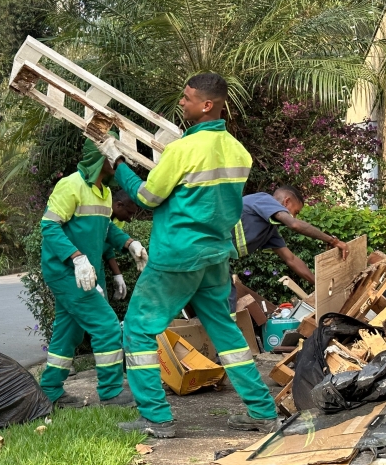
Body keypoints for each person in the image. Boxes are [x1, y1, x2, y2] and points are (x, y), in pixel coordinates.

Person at [98, 72, 278, 438]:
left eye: (187, 97)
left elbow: (147, 197)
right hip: (215, 256)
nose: (182, 102)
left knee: (138, 330)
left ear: (207, 104)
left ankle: (157, 418)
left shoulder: (183, 151)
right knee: (226, 332)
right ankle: (263, 412)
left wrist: (118, 163)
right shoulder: (238, 152)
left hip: (177, 256)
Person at [39, 138, 148, 407]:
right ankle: (111, 392)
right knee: (107, 326)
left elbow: (105, 228)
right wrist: (76, 258)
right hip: (65, 271)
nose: (119, 161)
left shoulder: (105, 192)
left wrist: (129, 243)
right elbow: (49, 226)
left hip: (81, 272)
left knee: (69, 331)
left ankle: (50, 391)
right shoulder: (71, 185)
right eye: (113, 155)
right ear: (100, 159)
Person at [229, 186, 349, 309]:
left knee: (227, 301)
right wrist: (333, 241)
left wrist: (320, 284)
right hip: (215, 249)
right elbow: (294, 224)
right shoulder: (264, 199)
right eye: (295, 212)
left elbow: (291, 259)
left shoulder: (269, 231)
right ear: (286, 201)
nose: (294, 217)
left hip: (221, 258)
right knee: (227, 300)